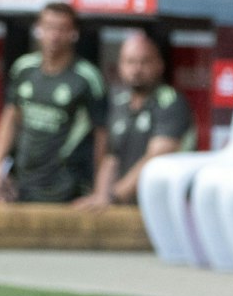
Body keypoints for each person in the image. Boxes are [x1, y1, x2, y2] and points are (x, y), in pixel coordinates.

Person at [0, 3, 108, 204]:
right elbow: (10, 117)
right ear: (38, 29)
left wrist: (99, 190)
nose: (54, 35)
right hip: (23, 182)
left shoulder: (87, 78)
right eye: (49, 27)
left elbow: (102, 135)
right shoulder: (23, 68)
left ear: (73, 33)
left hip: (67, 186)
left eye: (61, 29)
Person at [81, 32, 196, 210]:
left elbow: (156, 157)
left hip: (166, 208)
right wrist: (101, 196)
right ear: (120, 65)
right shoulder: (119, 102)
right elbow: (112, 157)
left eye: (144, 62)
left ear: (159, 65)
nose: (137, 69)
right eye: (130, 62)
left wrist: (114, 197)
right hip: (127, 208)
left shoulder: (170, 101)